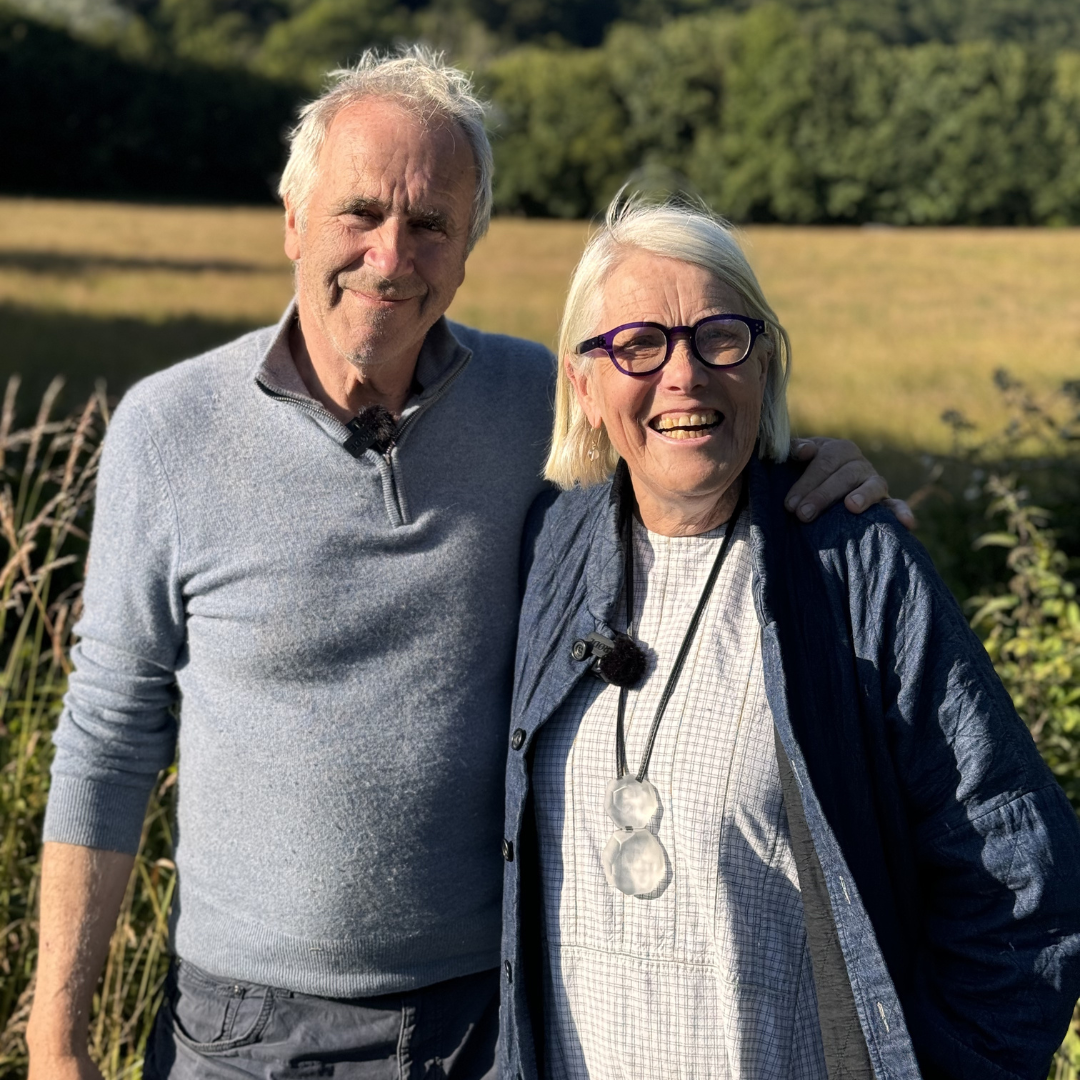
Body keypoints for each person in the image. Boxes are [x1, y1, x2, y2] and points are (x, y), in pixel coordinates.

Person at [26, 52, 899, 1080]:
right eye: (359, 214)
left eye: (433, 223)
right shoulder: (170, 430)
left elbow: (683, 448)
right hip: (247, 1038)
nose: (392, 255)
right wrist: (56, 1039)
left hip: (493, 1022)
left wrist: (804, 474)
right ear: (294, 223)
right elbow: (109, 736)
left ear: (468, 250)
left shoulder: (537, 401)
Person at [500, 197, 1080, 1080]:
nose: (685, 376)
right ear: (583, 384)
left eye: (720, 337)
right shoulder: (549, 552)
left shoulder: (854, 568)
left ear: (764, 364)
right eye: (638, 345)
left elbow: (1021, 875)